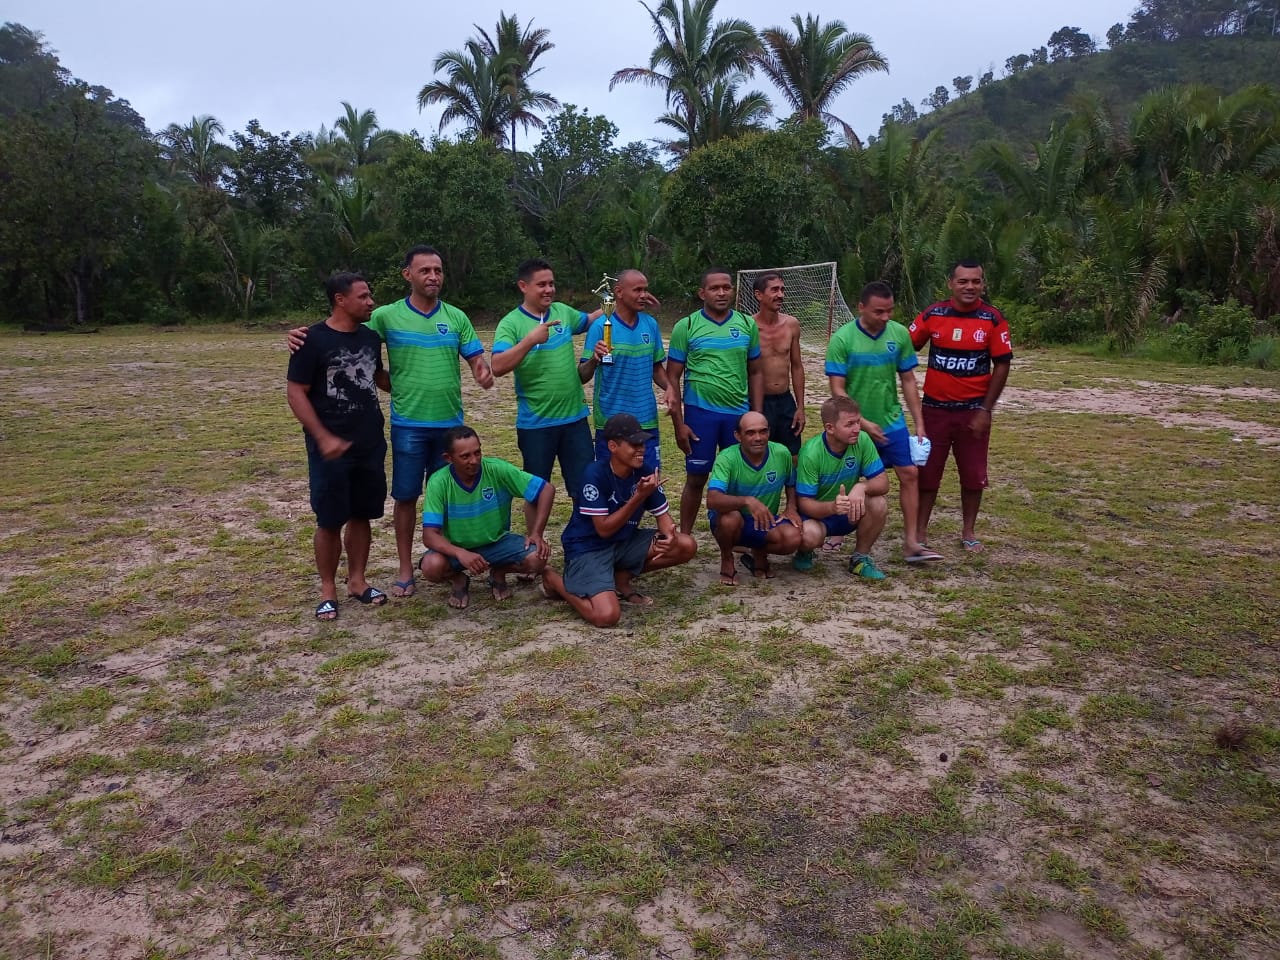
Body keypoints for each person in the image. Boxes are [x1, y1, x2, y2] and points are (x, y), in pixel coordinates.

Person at [287, 245, 495, 599]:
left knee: (445, 497)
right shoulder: (384, 317)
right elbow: (338, 336)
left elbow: (473, 359)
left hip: (445, 426)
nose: (433, 276)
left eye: (438, 270)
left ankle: (451, 565)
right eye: (425, 270)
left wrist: (481, 370)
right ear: (408, 275)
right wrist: (296, 336)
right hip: (407, 425)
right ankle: (401, 568)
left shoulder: (456, 317)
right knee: (405, 497)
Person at [286, 273, 389, 620]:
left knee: (362, 514)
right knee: (329, 518)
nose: (370, 301)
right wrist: (322, 435)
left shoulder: (372, 338)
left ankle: (357, 581)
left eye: (369, 295)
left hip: (370, 442)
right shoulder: (311, 340)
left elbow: (378, 380)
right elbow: (296, 392)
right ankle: (328, 589)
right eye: (363, 296)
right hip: (329, 446)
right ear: (339, 300)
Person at [542, 413, 698, 627]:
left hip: (623, 542)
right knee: (606, 616)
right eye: (634, 444)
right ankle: (555, 581)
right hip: (588, 548)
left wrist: (669, 534)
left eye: (642, 443)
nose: (641, 448)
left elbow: (663, 517)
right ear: (613, 446)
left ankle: (619, 578)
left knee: (685, 545)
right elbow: (604, 530)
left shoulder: (643, 471)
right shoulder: (594, 474)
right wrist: (638, 497)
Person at [827, 281, 942, 564]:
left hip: (891, 422)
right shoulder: (842, 339)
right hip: (854, 426)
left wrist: (919, 423)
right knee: (848, 478)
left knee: (910, 475)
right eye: (879, 311)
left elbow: (907, 380)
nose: (886, 317)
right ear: (861, 307)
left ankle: (911, 542)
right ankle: (838, 530)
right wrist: (861, 423)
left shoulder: (899, 334)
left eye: (890, 311)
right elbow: (837, 390)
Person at [908, 260, 1013, 553]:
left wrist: (985, 409)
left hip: (973, 412)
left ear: (983, 284)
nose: (970, 287)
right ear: (950, 283)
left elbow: (1002, 364)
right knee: (927, 473)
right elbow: (906, 344)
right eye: (963, 281)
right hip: (934, 410)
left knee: (973, 474)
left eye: (976, 281)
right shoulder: (933, 314)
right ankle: (920, 532)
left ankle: (968, 532)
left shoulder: (992, 319)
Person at [492, 259, 601, 498]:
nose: (549, 289)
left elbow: (590, 319)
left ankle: (582, 535)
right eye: (541, 284)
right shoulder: (511, 323)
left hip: (575, 419)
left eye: (551, 284)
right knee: (536, 490)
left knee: (584, 487)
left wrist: (620, 302)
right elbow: (497, 366)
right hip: (536, 425)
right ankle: (535, 536)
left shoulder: (563, 312)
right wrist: (530, 340)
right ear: (523, 286)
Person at [666, 267, 764, 534]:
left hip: (738, 415)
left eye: (726, 287)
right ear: (702, 293)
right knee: (696, 478)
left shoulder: (746, 325)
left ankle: (740, 535)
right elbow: (672, 378)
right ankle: (684, 536)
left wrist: (756, 414)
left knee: (739, 479)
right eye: (714, 288)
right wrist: (679, 423)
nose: (722, 292)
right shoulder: (685, 326)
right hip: (700, 415)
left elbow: (755, 371)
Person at [418, 426, 555, 610]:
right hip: (457, 547)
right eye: (465, 456)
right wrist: (460, 553)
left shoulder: (496, 469)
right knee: (431, 567)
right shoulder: (438, 482)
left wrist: (536, 533)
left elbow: (546, 489)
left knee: (538, 558)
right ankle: (458, 579)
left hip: (497, 541)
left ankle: (499, 571)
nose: (474, 460)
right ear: (448, 458)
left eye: (477, 452)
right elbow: (429, 535)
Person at [579, 269, 669, 472]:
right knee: (613, 487)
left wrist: (671, 388)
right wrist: (594, 359)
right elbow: (582, 376)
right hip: (611, 423)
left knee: (649, 484)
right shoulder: (599, 327)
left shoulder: (650, 325)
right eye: (637, 290)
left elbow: (656, 369)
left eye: (645, 290)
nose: (644, 295)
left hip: (645, 420)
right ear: (618, 292)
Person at [794, 396, 890, 580]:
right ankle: (805, 551)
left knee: (878, 503)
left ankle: (859, 559)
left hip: (848, 513)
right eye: (849, 424)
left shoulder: (862, 440)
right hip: (817, 517)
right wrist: (833, 507)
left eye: (858, 422)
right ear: (830, 428)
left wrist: (862, 487)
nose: (857, 429)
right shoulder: (811, 453)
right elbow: (804, 503)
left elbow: (883, 482)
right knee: (809, 536)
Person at [705, 411, 803, 584]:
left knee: (792, 538)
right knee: (730, 518)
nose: (758, 437)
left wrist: (791, 507)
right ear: (738, 436)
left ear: (769, 432)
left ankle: (759, 552)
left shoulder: (781, 453)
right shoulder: (727, 458)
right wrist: (747, 501)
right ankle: (727, 557)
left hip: (764, 520)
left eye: (763, 431)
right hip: (733, 518)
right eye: (750, 432)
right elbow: (712, 499)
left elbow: (791, 482)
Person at [750, 272, 806, 460]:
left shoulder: (791, 324)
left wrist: (800, 407)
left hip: (785, 401)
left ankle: (791, 490)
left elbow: (797, 367)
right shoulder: (748, 327)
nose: (781, 295)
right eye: (774, 290)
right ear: (759, 295)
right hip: (758, 401)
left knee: (793, 458)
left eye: (782, 290)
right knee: (759, 457)